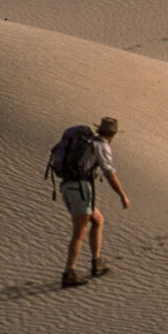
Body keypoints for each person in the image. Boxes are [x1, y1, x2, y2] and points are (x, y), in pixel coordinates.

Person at [55, 116, 130, 288]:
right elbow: (109, 173)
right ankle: (69, 273)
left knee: (98, 220)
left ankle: (97, 263)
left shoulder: (89, 142)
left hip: (69, 187)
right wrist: (122, 195)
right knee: (79, 233)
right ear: (112, 135)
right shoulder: (102, 146)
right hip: (80, 189)